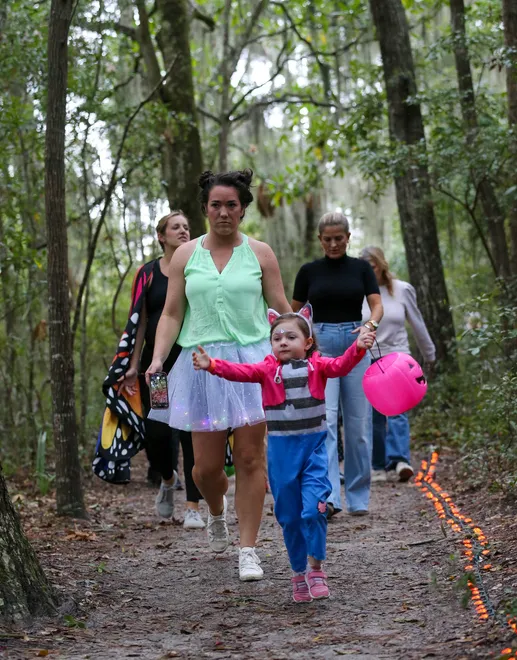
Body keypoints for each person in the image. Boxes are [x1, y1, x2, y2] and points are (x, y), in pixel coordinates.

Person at [146, 169, 291, 582]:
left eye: (231, 205)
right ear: (205, 209)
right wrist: (158, 359)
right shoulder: (185, 255)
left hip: (253, 366)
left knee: (249, 458)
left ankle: (248, 550)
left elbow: (281, 309)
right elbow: (172, 313)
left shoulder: (260, 253)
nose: (223, 212)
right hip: (201, 366)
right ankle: (215, 510)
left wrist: (299, 346)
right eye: (216, 205)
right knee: (204, 469)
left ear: (243, 209)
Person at [192, 305, 375, 602]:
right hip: (281, 456)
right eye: (277, 338)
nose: (283, 342)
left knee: (314, 509)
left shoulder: (319, 367)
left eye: (291, 337)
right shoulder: (267, 370)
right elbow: (241, 372)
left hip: (313, 451)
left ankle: (316, 568)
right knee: (289, 517)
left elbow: (342, 365)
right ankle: (298, 573)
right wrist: (212, 364)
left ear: (308, 342)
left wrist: (358, 346)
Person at [292, 212, 383, 517]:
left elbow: (376, 304)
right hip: (321, 346)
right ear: (320, 240)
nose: (333, 244)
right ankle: (329, 497)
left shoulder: (360, 268)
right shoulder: (308, 271)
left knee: (358, 425)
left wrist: (370, 325)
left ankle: (358, 496)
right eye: (327, 239)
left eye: (338, 238)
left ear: (348, 238)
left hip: (356, 343)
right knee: (326, 422)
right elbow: (292, 313)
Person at [117, 211, 205, 529]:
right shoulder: (148, 273)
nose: (183, 231)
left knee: (191, 431)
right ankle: (168, 479)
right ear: (161, 236)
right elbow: (138, 321)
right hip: (157, 366)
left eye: (186, 227)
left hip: (193, 363)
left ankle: (194, 506)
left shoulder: (198, 269)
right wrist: (132, 363)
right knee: (157, 432)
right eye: (175, 227)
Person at [360, 246, 436, 482]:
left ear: (381, 264)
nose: (368, 272)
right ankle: (379, 465)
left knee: (398, 409)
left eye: (371, 267)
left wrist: (429, 354)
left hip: (398, 359)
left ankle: (401, 460)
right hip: (368, 359)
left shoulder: (402, 290)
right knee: (375, 414)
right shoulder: (358, 293)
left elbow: (417, 322)